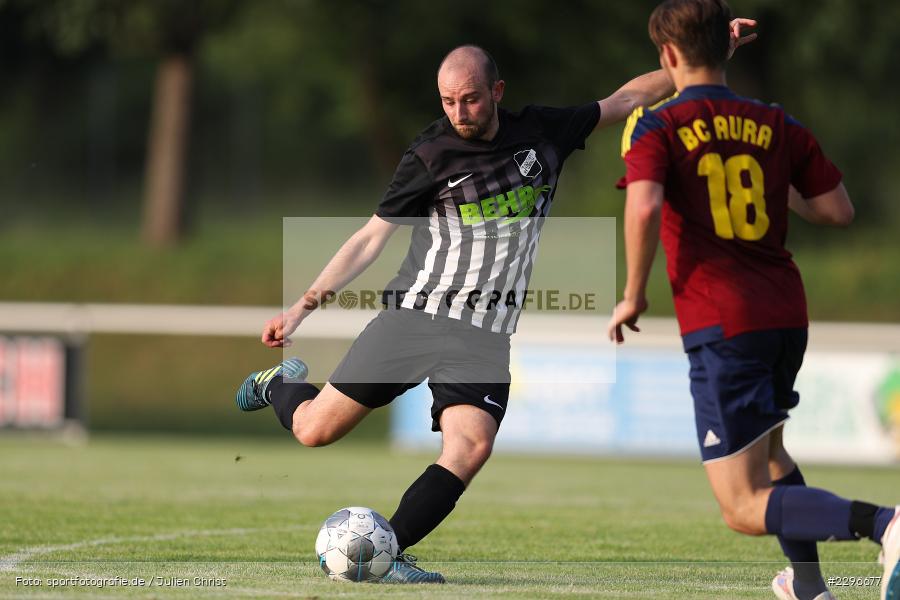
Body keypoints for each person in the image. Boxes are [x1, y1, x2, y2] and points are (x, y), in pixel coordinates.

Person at [236, 34, 754, 584]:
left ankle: (390, 552)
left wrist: (705, 57)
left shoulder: (542, 131)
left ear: (497, 92)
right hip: (416, 317)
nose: (460, 112)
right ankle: (280, 385)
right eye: (448, 101)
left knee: (471, 445)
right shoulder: (430, 155)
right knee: (315, 431)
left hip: (483, 335)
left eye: (472, 99)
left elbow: (627, 99)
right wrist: (302, 310)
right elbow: (370, 239)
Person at [608, 1, 900, 599]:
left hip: (723, 319)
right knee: (771, 459)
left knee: (742, 507)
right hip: (785, 312)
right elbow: (837, 210)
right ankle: (811, 587)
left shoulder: (658, 126)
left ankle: (887, 524)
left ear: (666, 56)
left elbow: (643, 203)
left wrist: (633, 293)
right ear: (725, 49)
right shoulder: (775, 122)